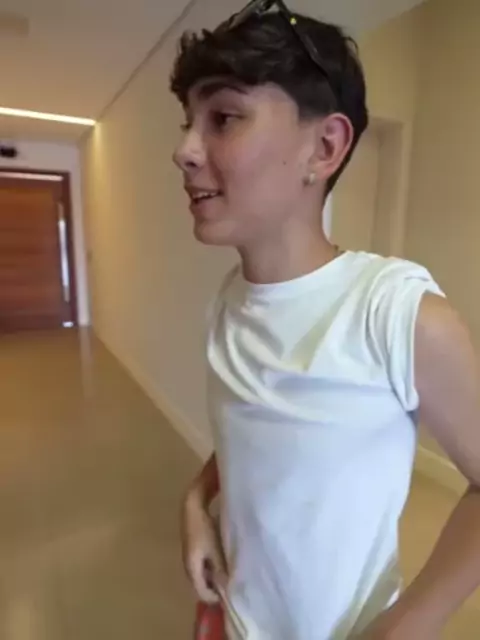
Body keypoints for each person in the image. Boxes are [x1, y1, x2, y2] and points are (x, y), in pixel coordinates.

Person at [170, 0, 480, 638]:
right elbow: (251, 438)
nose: (184, 151)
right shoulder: (226, 301)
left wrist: (405, 626)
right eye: (188, 122)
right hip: (234, 618)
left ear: (325, 147)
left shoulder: (396, 313)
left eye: (223, 117)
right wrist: (197, 500)